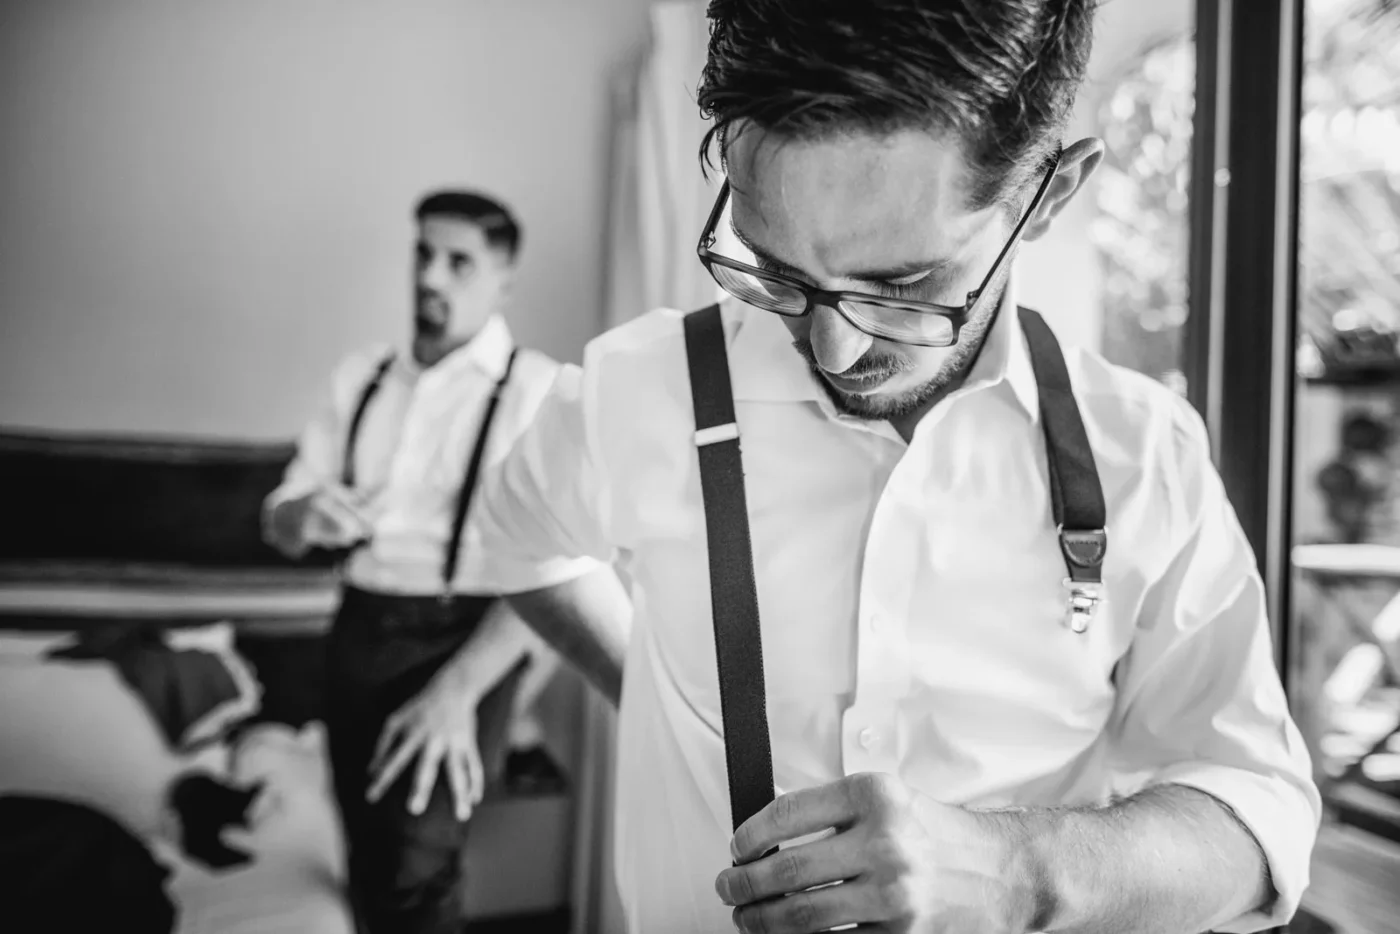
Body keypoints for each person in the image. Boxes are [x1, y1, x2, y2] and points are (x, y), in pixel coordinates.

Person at [472, 2, 1323, 933]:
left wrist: (1020, 872)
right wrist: (657, 709)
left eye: (903, 284)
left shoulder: (1147, 455)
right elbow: (520, 542)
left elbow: (1259, 821)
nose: (832, 350)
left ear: (1048, 195)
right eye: (776, 267)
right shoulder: (630, 393)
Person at [261, 190, 570, 934]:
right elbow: (278, 521)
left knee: (416, 865)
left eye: (458, 262)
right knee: (365, 852)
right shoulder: (362, 377)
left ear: (502, 281)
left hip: (465, 641)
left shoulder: (537, 391)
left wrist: (457, 693)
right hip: (358, 629)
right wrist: (306, 516)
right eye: (423, 254)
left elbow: (562, 568)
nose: (430, 277)